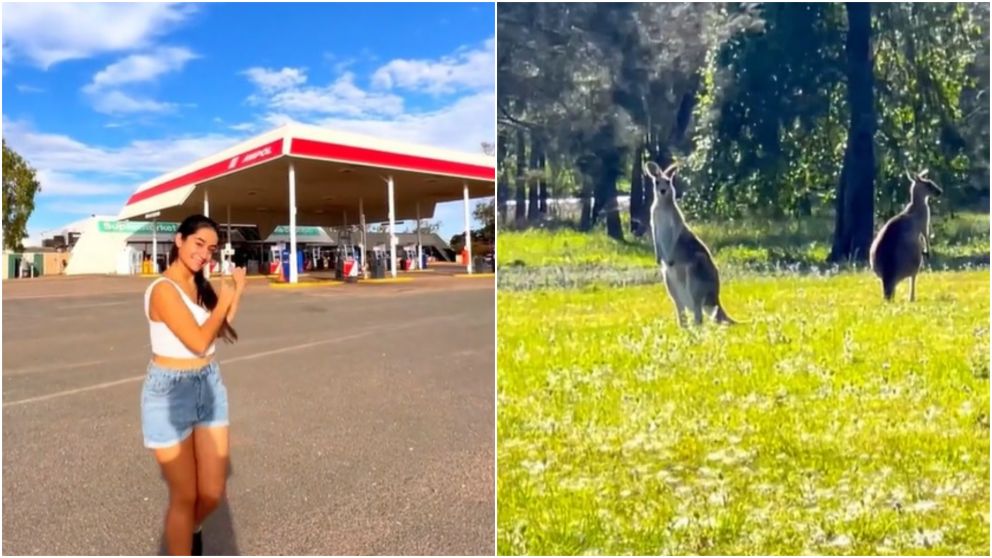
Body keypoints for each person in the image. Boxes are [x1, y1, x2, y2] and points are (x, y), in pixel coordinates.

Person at [142, 214, 246, 555]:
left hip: (209, 385)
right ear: (179, 240)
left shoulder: (199, 286)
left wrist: (237, 293)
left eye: (211, 248)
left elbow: (218, 330)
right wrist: (226, 294)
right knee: (185, 496)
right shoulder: (162, 290)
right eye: (198, 244)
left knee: (213, 493)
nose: (204, 254)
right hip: (170, 392)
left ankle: (191, 528)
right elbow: (199, 340)